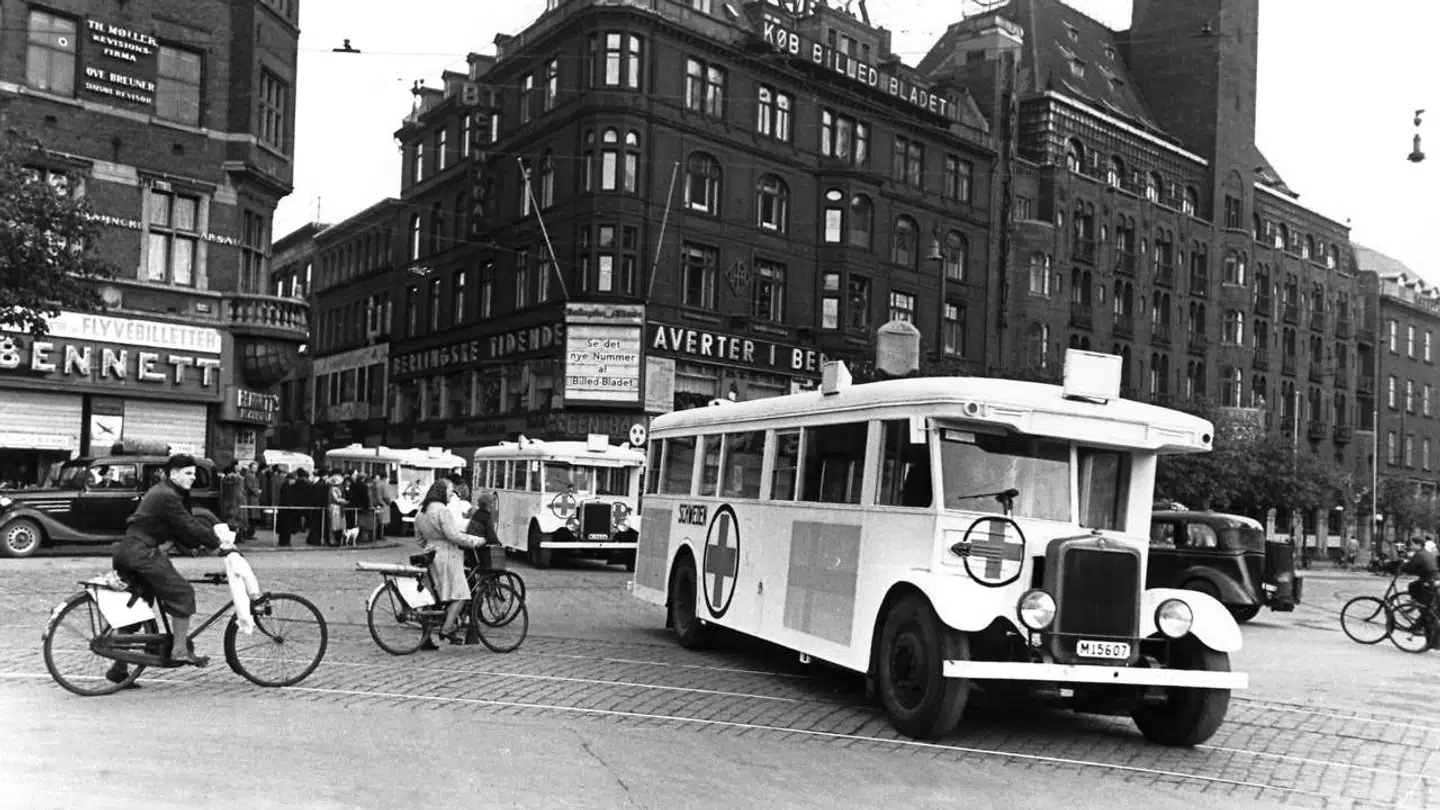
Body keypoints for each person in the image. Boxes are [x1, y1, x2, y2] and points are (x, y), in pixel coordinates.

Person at [108, 454, 231, 683]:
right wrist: (218, 544)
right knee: (183, 592)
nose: (193, 478)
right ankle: (180, 650)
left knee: (137, 607)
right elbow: (188, 525)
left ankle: (119, 669)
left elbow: (177, 528)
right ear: (173, 474)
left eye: (194, 474)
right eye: (188, 473)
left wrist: (195, 548)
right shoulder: (167, 495)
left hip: (129, 551)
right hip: (143, 553)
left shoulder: (165, 492)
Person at [414, 478, 484, 646]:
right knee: (461, 594)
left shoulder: (421, 512)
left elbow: (419, 539)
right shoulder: (443, 511)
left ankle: (426, 639)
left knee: (431, 599)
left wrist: (431, 544)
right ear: (442, 492)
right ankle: (447, 628)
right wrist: (475, 541)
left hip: (429, 555)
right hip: (447, 556)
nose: (451, 495)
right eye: (450, 491)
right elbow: (453, 535)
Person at [1401, 536, 1440, 647]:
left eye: (1412, 544)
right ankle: (1419, 621)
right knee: (1428, 610)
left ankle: (1432, 641)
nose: (1410, 546)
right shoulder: (1427, 553)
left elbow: (1409, 568)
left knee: (1426, 612)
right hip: (1434, 580)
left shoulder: (1418, 554)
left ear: (1418, 544)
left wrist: (1401, 567)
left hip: (1428, 582)